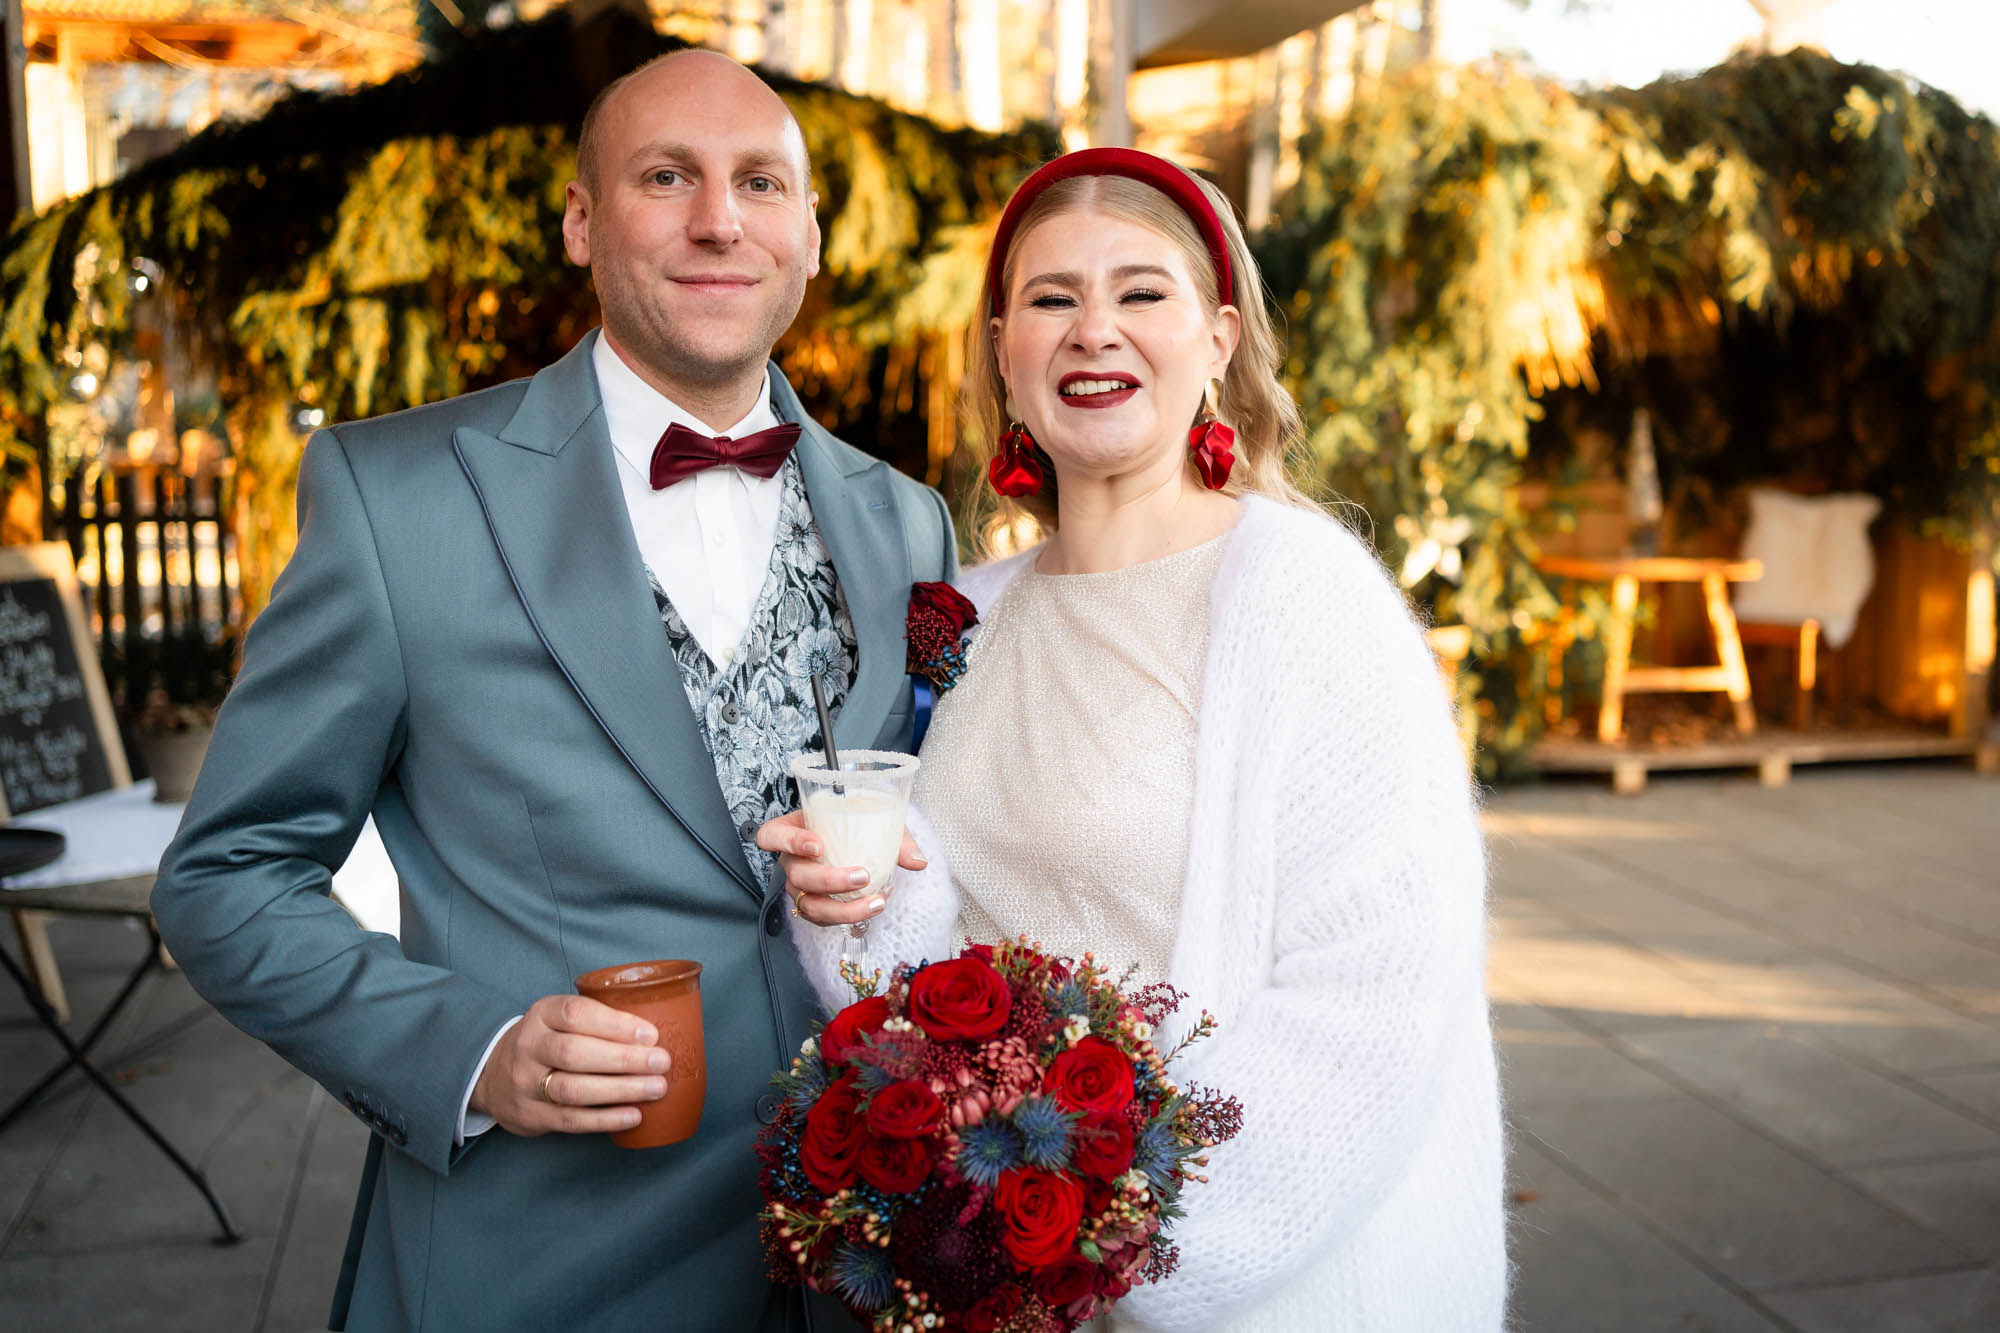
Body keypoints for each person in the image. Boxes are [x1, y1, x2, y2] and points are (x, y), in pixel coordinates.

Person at [151, 50, 952, 1333]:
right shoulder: (397, 500)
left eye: (759, 182)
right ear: (581, 222)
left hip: (857, 1267)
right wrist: (469, 1052)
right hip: (540, 1267)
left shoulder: (905, 522)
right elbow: (226, 875)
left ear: (808, 234)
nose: (719, 220)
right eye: (665, 177)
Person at [764, 148, 1506, 1331]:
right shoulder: (959, 617)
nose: (1092, 330)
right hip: (994, 1280)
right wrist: (856, 898)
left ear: (1215, 340)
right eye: (1051, 299)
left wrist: (1115, 1237)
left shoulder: (1305, 598)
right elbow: (931, 947)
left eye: (1139, 293)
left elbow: (1374, 982)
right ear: (1003, 349)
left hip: (1240, 1285)